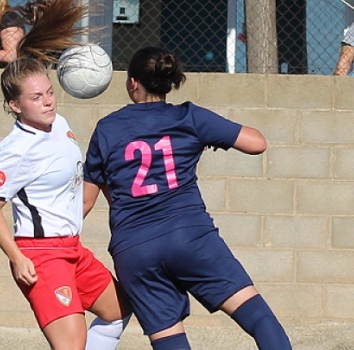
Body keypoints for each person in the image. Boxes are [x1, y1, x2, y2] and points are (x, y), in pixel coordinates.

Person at [83, 47, 292, 350]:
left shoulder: (107, 128)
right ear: (169, 82)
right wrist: (211, 138)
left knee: (169, 339)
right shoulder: (190, 118)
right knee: (258, 318)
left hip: (135, 249)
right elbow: (257, 143)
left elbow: (86, 202)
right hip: (190, 237)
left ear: (132, 83)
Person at [0, 0, 130, 350]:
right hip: (41, 255)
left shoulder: (60, 123)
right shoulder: (14, 150)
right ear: (15, 106)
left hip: (73, 248)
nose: (48, 101)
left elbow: (77, 181)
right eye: (36, 97)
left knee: (120, 308)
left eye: (49, 92)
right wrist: (16, 257)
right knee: (71, 343)